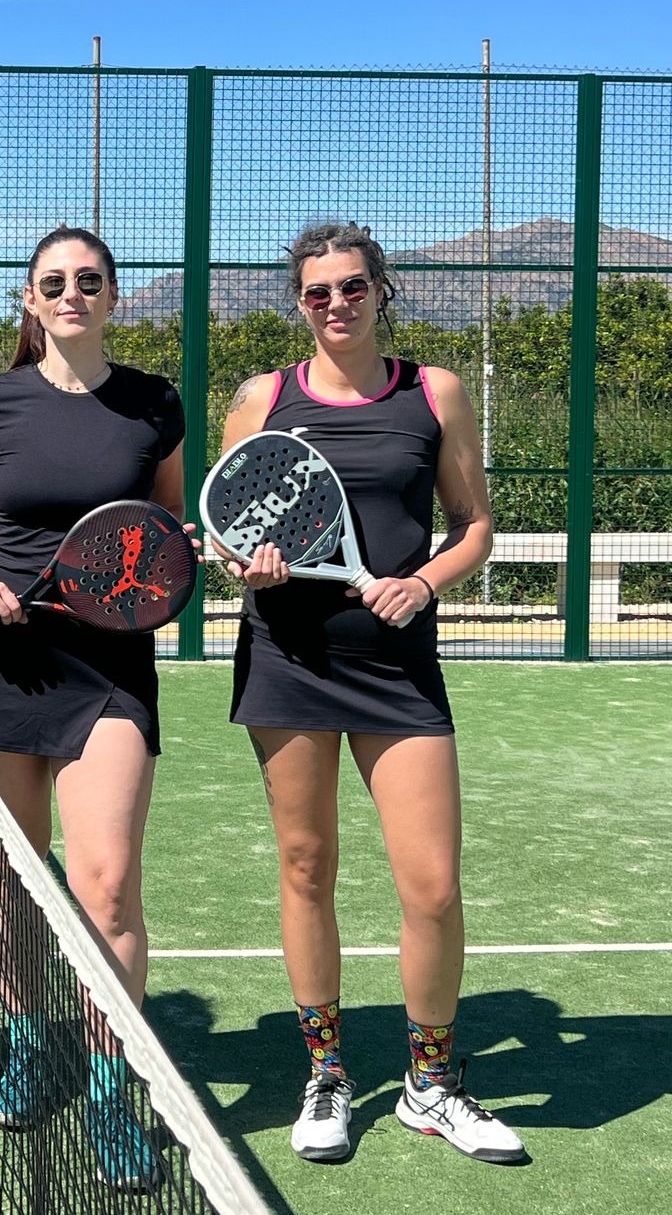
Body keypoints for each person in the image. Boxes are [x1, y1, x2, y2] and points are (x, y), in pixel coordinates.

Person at [219, 221, 525, 1165]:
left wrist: (424, 582)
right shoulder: (262, 398)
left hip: (399, 670)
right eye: (318, 292)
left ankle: (431, 1086)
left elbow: (473, 524)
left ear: (380, 290)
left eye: (353, 287)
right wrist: (248, 567)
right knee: (307, 867)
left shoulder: (435, 392)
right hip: (288, 662)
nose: (337, 305)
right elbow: (230, 533)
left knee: (432, 886)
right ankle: (327, 1074)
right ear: (299, 302)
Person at [0, 224, 186, 1188]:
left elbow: (165, 527)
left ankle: (113, 1087)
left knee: (106, 884)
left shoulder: (155, 403)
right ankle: (31, 1046)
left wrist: (163, 566)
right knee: (12, 879)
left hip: (108, 665)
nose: (71, 293)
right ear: (31, 300)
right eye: (53, 282)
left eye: (88, 280)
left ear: (112, 295)